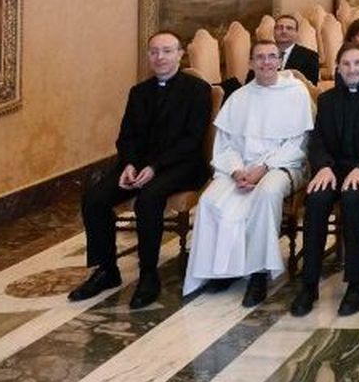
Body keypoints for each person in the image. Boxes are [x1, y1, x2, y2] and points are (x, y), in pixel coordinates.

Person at [71, 31, 212, 309]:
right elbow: (126, 136)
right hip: (138, 166)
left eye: (167, 51)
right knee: (95, 198)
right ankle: (106, 269)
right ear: (148, 56)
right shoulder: (139, 92)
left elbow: (192, 140)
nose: (160, 57)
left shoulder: (198, 91)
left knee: (148, 199)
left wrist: (154, 167)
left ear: (180, 54)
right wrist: (130, 164)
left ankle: (149, 274)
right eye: (154, 52)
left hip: (182, 165)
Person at [183, 39, 312, 305]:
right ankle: (218, 270)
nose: (266, 62)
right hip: (240, 167)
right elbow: (225, 143)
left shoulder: (296, 92)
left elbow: (299, 143)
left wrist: (263, 168)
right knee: (209, 200)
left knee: (266, 193)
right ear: (251, 63)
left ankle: (257, 272)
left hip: (284, 165)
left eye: (272, 57)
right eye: (260, 57)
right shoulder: (239, 97)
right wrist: (235, 170)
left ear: (279, 61)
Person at [291, 43, 359, 317]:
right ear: (338, 68)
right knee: (316, 201)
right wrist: (324, 167)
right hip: (335, 168)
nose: (352, 69)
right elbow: (317, 142)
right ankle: (309, 283)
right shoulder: (327, 100)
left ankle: (356, 283)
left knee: (351, 200)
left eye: (357, 63)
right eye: (346, 64)